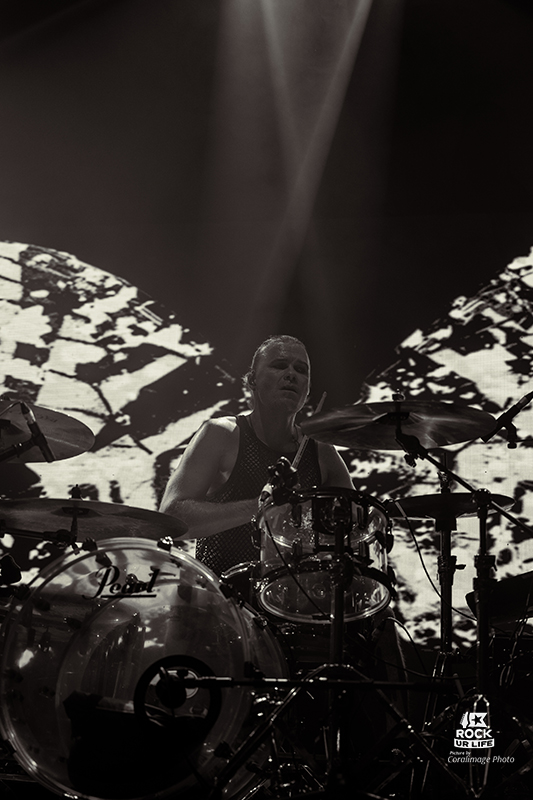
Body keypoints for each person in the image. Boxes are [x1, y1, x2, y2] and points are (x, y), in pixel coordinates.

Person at [160, 334, 354, 576]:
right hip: (221, 594)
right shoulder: (222, 434)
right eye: (280, 365)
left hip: (295, 596)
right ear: (252, 380)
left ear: (308, 390)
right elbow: (171, 517)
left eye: (301, 370)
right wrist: (260, 506)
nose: (291, 374)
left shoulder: (321, 451)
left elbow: (356, 525)